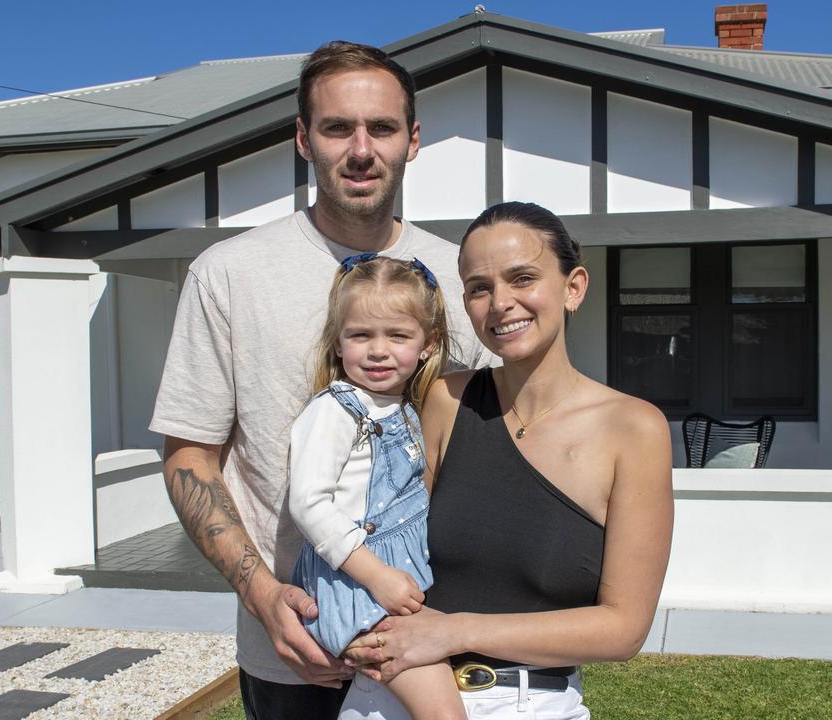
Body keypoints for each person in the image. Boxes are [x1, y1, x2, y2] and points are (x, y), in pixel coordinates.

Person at [150, 42, 490, 719]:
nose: (361, 149)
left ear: (412, 140)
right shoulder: (230, 274)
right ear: (304, 139)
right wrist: (262, 596)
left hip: (435, 630)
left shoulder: (461, 275)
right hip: (297, 651)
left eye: (383, 128)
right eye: (338, 128)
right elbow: (190, 456)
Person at [337, 202, 675, 719]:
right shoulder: (445, 401)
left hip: (531, 703)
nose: (500, 303)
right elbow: (381, 536)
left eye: (523, 278)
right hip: (394, 695)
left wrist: (455, 631)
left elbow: (624, 628)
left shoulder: (633, 430)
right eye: (479, 287)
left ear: (574, 287)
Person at [289, 255, 466, 720]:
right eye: (361, 335)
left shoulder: (402, 408)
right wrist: (377, 576)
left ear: (428, 345)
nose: (378, 350)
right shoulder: (334, 410)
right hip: (360, 590)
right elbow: (308, 505)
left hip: (390, 588)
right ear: (338, 342)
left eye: (398, 335)